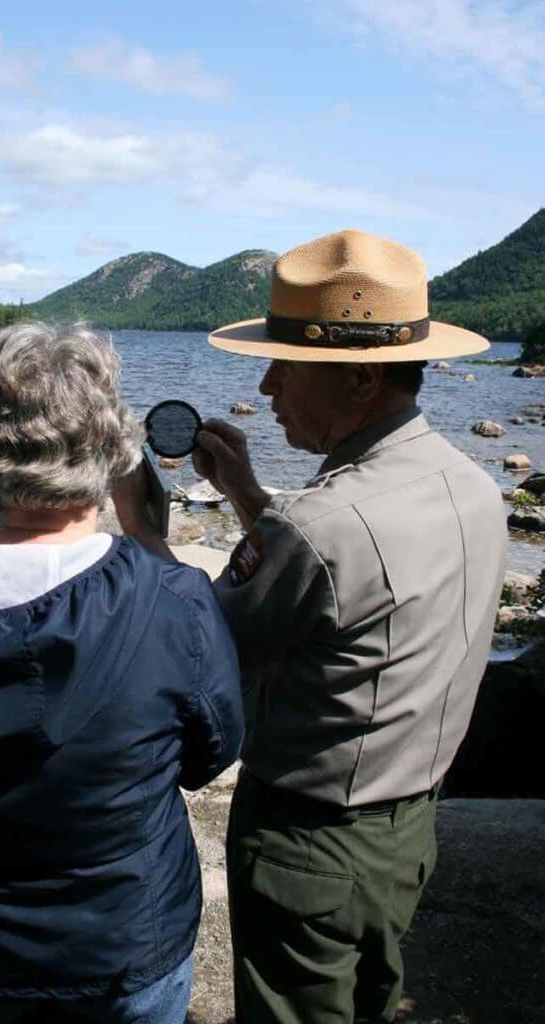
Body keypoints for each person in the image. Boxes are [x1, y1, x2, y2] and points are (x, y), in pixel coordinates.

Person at [113, 230, 508, 1023]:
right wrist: (250, 499)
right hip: (405, 829)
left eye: (283, 368)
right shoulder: (467, 484)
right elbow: (347, 594)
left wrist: (145, 533)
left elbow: (194, 649)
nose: (263, 389)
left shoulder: (318, 529)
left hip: (311, 846)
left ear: (359, 378)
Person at [0, 322, 243, 1024]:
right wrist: (149, 539)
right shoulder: (172, 600)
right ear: (110, 448)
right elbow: (207, 754)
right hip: (127, 942)